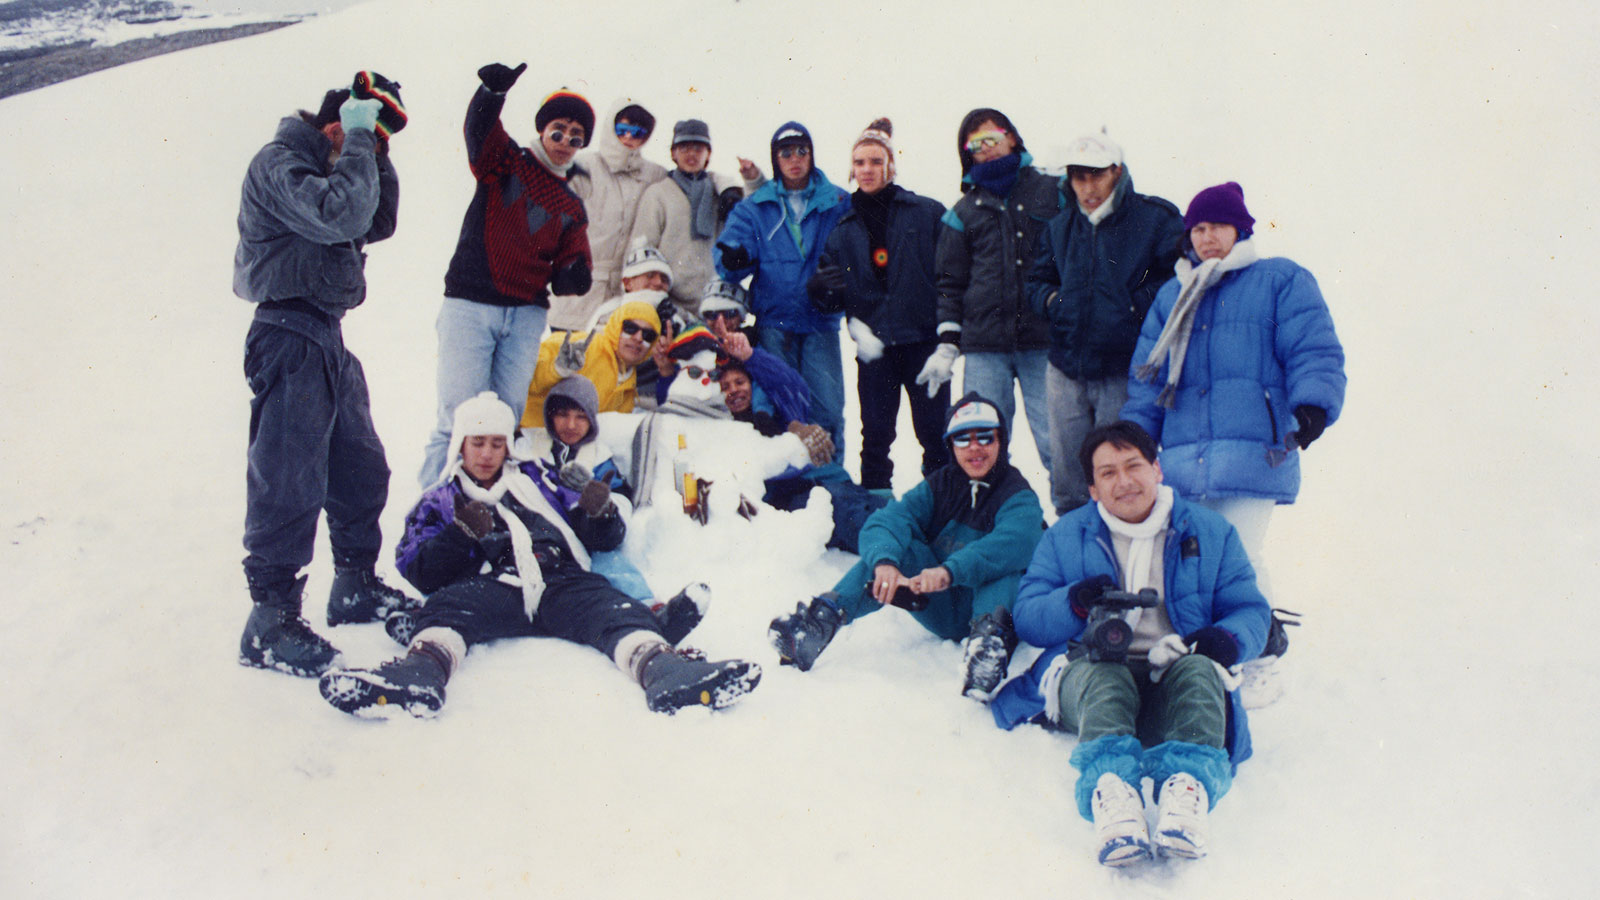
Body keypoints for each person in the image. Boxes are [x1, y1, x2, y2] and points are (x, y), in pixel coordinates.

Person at [319, 393, 760, 718]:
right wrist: (460, 535)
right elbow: (418, 569)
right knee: (444, 608)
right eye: (478, 443)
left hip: (561, 578)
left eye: (497, 443)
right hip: (494, 585)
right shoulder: (440, 498)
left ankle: (664, 672)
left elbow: (599, 539)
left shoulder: (539, 479)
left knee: (612, 606)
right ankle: (418, 676)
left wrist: (598, 512)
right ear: (461, 445)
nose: (489, 454)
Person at [991, 421, 1271, 865]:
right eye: (1107, 473)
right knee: (1103, 676)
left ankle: (1187, 792)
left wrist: (1226, 640)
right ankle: (1114, 796)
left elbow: (1250, 609)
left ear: (1157, 469)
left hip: (1174, 670)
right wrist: (1074, 601)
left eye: (1133, 466)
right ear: (1093, 489)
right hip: (1092, 675)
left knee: (1201, 673)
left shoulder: (1211, 530)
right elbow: (1028, 617)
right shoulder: (1067, 536)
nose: (1124, 482)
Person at [1121, 182, 1346, 706]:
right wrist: (1134, 441)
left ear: (1241, 229)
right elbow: (1146, 380)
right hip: (1181, 457)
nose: (1206, 237)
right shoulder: (1171, 295)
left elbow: (1314, 347)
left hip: (1253, 452)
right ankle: (1206, 657)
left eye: (1217, 226)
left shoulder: (1279, 280)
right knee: (1193, 560)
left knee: (1239, 557)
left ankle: (1261, 654)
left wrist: (1313, 404)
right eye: (1197, 228)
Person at [233, 72, 415, 677]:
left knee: (360, 467)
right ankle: (269, 621)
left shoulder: (335, 163)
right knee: (289, 477)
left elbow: (377, 220)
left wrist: (374, 147)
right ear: (335, 126)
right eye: (359, 134)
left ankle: (356, 585)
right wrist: (359, 145)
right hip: (287, 332)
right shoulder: (280, 164)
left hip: (327, 334)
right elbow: (341, 216)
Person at [768, 394, 1045, 699]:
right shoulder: (940, 485)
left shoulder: (1018, 494)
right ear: (951, 445)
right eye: (963, 439)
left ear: (1000, 442)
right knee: (895, 551)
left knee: (1003, 569)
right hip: (940, 604)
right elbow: (888, 520)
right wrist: (885, 563)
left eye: (985, 438)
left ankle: (987, 653)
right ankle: (820, 623)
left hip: (991, 608)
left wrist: (949, 571)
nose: (975, 448)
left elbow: (1015, 543)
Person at [421, 62, 594, 486]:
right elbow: (479, 133)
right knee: (460, 417)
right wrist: (490, 93)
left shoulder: (571, 205)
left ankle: (497, 510)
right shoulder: (506, 163)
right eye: (558, 131)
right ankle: (431, 511)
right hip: (471, 304)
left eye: (576, 137)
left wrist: (574, 274)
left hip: (524, 315)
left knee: (504, 419)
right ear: (542, 130)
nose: (565, 143)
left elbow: (575, 261)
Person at [1026, 132, 1184, 513]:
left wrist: (1131, 308)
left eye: (1096, 175)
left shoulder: (1154, 218)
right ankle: (1072, 554)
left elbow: (1176, 278)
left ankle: (1125, 550)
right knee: (1068, 477)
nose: (1087, 187)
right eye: (1078, 177)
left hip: (1122, 368)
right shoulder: (1060, 226)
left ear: (1116, 171)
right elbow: (1035, 282)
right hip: (1065, 367)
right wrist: (1055, 302)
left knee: (1119, 470)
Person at [921, 108, 1064, 477]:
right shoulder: (962, 213)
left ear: (1012, 137)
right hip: (985, 348)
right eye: (975, 145)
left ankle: (1074, 523)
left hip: (1044, 342)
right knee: (982, 444)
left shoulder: (1053, 191)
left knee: (1058, 443)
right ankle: (993, 522)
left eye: (991, 138)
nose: (985, 149)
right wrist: (947, 343)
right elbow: (949, 283)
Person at [809, 118, 950, 491]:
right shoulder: (842, 229)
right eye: (859, 163)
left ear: (891, 165)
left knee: (936, 435)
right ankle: (876, 510)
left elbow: (953, 275)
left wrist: (949, 334)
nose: (867, 170)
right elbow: (829, 297)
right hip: (875, 348)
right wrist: (822, 289)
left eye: (875, 161)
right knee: (875, 437)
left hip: (922, 341)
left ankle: (943, 510)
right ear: (851, 170)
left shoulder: (927, 212)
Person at [714, 121, 850, 453]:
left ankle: (831, 485)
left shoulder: (838, 201)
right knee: (777, 406)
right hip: (775, 323)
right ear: (775, 159)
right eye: (785, 152)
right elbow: (728, 259)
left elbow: (858, 251)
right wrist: (735, 257)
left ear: (811, 154)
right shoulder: (755, 206)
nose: (794, 159)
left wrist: (840, 280)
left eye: (801, 150)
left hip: (821, 321)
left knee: (827, 409)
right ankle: (782, 485)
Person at [548, 99, 668, 332]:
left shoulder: (654, 175)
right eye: (622, 130)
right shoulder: (585, 166)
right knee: (564, 362)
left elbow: (688, 180)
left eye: (638, 133)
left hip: (623, 294)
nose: (628, 138)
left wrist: (728, 186)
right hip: (577, 290)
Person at [632, 119, 764, 319]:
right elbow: (642, 248)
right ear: (673, 153)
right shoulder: (658, 193)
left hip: (713, 303)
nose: (691, 154)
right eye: (684, 147)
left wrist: (752, 179)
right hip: (670, 302)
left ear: (708, 154)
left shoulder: (721, 194)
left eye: (698, 148)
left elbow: (757, 209)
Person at [520, 299, 662, 429]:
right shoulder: (581, 345)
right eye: (630, 328)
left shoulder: (629, 385)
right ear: (615, 326)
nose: (638, 338)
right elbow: (520, 378)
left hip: (569, 447)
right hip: (529, 434)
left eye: (648, 335)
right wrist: (556, 370)